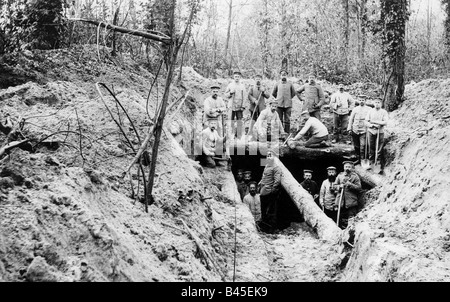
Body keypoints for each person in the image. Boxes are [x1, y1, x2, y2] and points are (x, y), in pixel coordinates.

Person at [333, 161, 362, 229]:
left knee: (351, 218)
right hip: (340, 201)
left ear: (351, 168)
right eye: (346, 167)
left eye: (349, 167)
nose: (347, 168)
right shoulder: (340, 176)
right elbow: (334, 186)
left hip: (351, 201)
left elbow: (359, 188)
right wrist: (339, 186)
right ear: (343, 167)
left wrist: (350, 184)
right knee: (340, 217)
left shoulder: (355, 177)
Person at [258, 150, 282, 233]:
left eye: (270, 155)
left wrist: (272, 191)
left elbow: (277, 181)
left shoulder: (276, 168)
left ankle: (271, 230)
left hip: (270, 193)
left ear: (274, 157)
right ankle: (264, 228)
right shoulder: (267, 166)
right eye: (267, 156)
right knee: (264, 211)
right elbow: (264, 177)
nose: (268, 157)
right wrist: (260, 183)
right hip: (263, 192)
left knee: (271, 212)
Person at [271, 70, 297, 134]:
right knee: (279, 119)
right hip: (279, 104)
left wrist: (288, 98)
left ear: (287, 76)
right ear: (280, 76)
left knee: (287, 119)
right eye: (282, 75)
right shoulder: (277, 83)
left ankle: (287, 132)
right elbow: (273, 93)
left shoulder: (290, 84)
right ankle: (280, 132)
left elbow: (293, 93)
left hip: (288, 104)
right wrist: (278, 98)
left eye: (285, 74)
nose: (283, 76)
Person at [347, 97, 371, 164]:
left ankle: (364, 159)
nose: (361, 101)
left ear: (365, 101)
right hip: (355, 129)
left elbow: (371, 119)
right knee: (356, 146)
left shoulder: (369, 109)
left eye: (363, 100)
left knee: (363, 145)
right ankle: (358, 159)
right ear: (358, 101)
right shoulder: (355, 109)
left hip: (364, 129)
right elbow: (351, 119)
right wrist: (349, 128)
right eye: (360, 100)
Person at [365, 99, 389, 166]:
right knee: (371, 146)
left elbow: (385, 122)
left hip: (380, 131)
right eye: (376, 102)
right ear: (373, 103)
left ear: (381, 104)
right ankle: (371, 160)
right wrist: (372, 125)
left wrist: (374, 122)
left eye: (378, 102)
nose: (377, 104)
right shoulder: (370, 111)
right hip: (371, 131)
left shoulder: (384, 112)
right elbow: (366, 121)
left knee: (379, 147)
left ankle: (378, 161)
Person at [225, 71, 247, 139]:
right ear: (233, 77)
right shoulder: (230, 85)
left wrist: (243, 106)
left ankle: (239, 135)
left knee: (239, 121)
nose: (236, 78)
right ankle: (231, 134)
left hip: (239, 107)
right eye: (235, 77)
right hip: (231, 106)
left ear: (240, 77)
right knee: (231, 120)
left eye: (238, 77)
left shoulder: (242, 86)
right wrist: (230, 93)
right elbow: (225, 95)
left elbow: (245, 96)